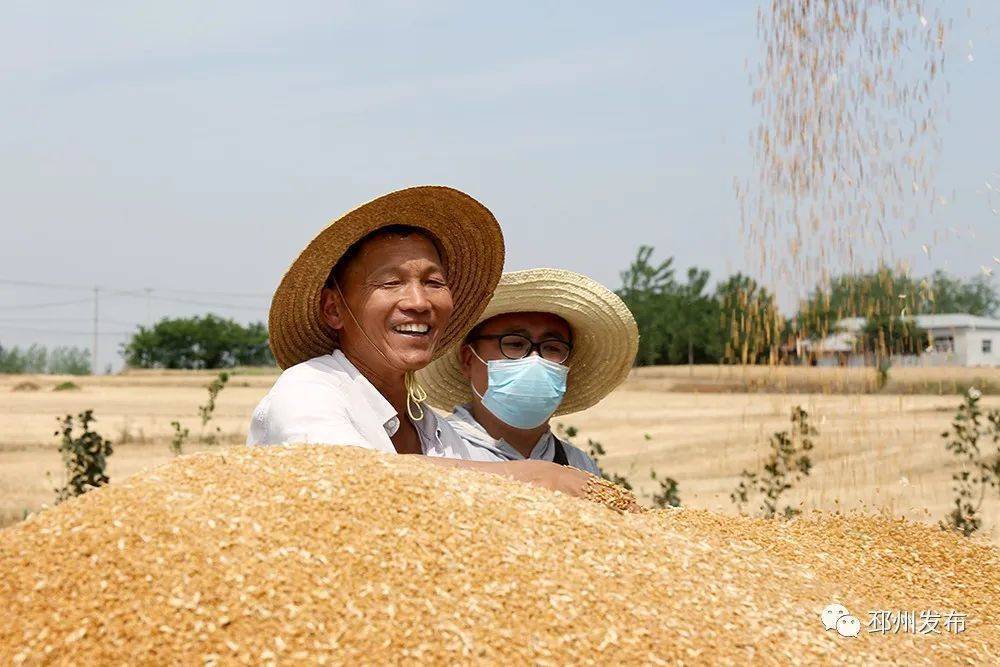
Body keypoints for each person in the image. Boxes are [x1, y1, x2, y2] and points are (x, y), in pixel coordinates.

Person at [247, 187, 600, 500]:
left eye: (433, 282)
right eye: (389, 283)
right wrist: (529, 476)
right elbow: (350, 478)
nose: (418, 301)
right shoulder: (310, 389)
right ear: (334, 309)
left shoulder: (436, 433)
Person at [418, 268, 639, 473]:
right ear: (468, 360)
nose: (535, 359)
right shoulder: (431, 450)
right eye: (514, 344)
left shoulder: (579, 466)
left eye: (552, 348)